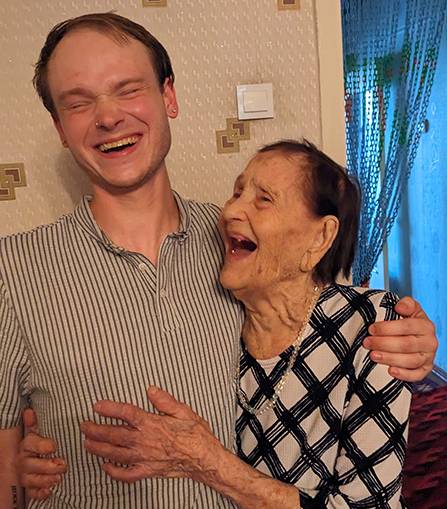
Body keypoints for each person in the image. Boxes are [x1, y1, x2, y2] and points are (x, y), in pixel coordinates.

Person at [0, 12, 435, 509]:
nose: (107, 117)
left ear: (169, 96)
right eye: (78, 102)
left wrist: (410, 334)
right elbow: (7, 468)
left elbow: (321, 315)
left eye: (127, 89)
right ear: (59, 126)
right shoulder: (12, 271)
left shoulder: (235, 249)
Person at [78, 140, 411, 508]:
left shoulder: (372, 327)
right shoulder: (216, 316)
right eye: (237, 192)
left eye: (263, 199)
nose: (231, 209)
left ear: (320, 238)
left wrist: (209, 464)